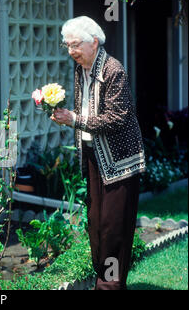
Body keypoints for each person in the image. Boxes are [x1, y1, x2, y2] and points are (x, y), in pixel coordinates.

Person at [51, 16, 146, 290]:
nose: (71, 52)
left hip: (120, 160)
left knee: (113, 227)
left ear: (94, 42)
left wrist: (74, 120)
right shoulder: (81, 68)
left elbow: (116, 118)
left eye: (75, 45)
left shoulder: (114, 70)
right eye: (67, 45)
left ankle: (109, 286)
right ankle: (104, 281)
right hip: (95, 157)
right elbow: (86, 110)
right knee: (95, 225)